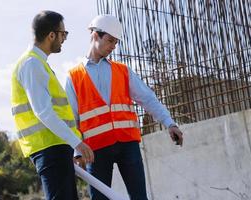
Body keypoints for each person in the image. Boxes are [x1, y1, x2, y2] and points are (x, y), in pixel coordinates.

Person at [65, 14, 183, 200]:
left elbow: (148, 98)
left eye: (116, 42)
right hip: (95, 151)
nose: (113, 47)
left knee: (139, 197)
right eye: (110, 40)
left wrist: (169, 123)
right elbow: (71, 119)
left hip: (128, 145)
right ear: (95, 36)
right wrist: (77, 151)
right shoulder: (73, 77)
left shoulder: (122, 70)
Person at [10, 10, 94, 200]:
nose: (64, 39)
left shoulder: (38, 63)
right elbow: (43, 112)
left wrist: (70, 145)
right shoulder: (32, 64)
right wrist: (77, 143)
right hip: (49, 148)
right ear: (51, 35)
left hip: (55, 147)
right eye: (63, 34)